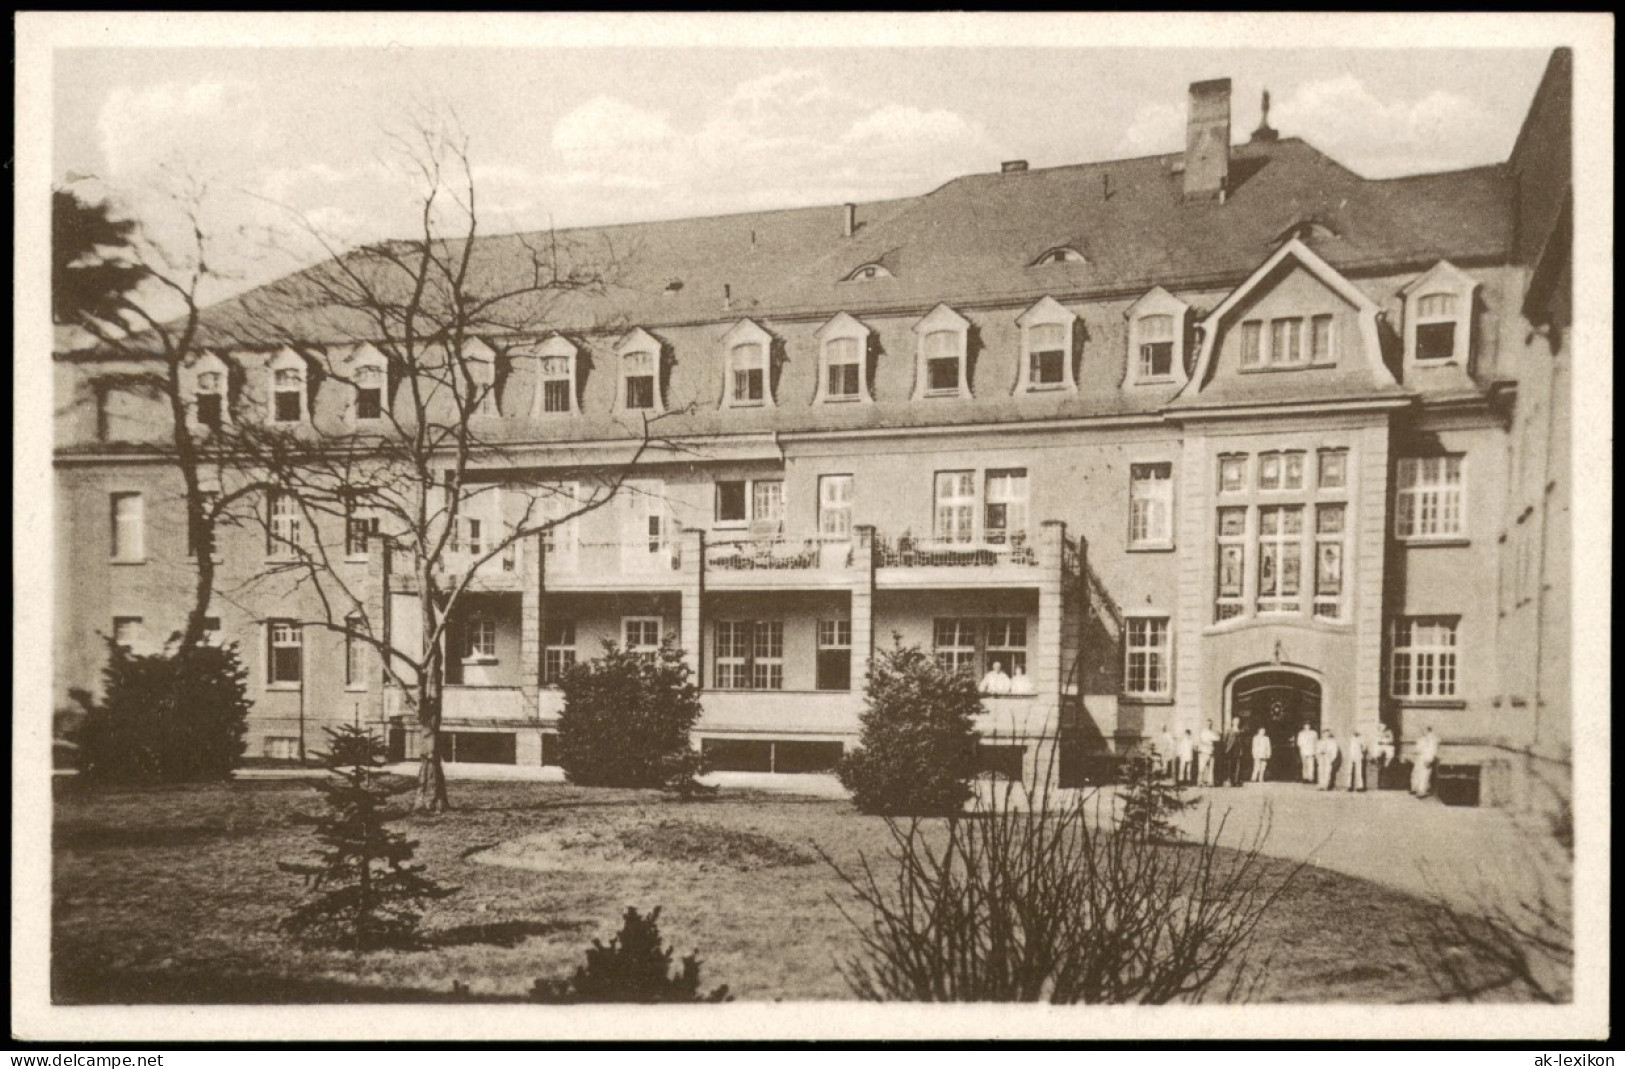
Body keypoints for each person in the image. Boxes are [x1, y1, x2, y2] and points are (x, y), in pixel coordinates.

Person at [1411, 726, 1440, 798]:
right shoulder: (1422, 739)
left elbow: (1433, 751)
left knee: (1424, 775)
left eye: (1424, 730)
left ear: (1428, 730)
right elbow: (1417, 748)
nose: (1422, 732)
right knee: (1417, 773)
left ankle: (1422, 791)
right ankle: (1416, 788)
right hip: (1420, 758)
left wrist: (1429, 760)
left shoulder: (1432, 739)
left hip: (1427, 757)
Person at [1197, 720, 1219, 787]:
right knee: (1202, 767)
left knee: (1210, 767)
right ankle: (1200, 781)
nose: (1209, 725)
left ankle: (1209, 781)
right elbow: (1215, 738)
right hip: (1204, 752)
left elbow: (1218, 738)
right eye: (1208, 724)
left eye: (1210, 724)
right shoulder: (1204, 732)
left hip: (1210, 751)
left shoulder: (1210, 732)